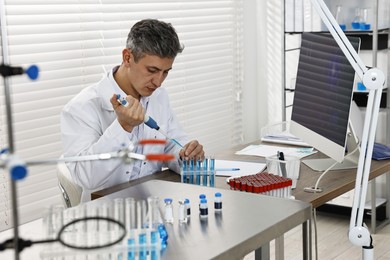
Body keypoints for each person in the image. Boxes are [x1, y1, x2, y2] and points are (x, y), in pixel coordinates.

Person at [61, 19, 205, 202]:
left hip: (152, 205)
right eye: (152, 70)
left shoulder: (158, 96)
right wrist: (123, 127)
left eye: (166, 72)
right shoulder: (82, 107)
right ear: (127, 57)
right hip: (107, 215)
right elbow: (86, 177)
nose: (158, 82)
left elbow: (169, 143)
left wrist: (186, 155)